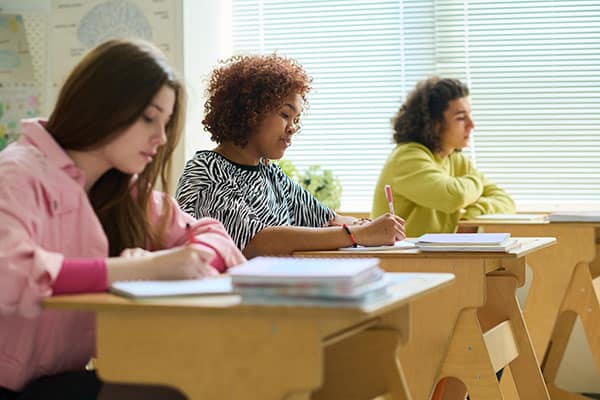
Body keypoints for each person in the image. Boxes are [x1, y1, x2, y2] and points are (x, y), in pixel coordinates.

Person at [0, 39, 245, 400]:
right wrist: (143, 269)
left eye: (165, 123)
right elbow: (12, 273)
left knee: (204, 380)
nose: (160, 138)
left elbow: (212, 234)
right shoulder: (17, 172)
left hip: (57, 382)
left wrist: (192, 259)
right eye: (149, 118)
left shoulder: (120, 188)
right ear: (102, 105)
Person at [176, 54, 405, 258]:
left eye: (296, 120)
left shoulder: (269, 173)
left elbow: (326, 219)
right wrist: (357, 234)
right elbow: (257, 243)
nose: (293, 127)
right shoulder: (206, 171)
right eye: (285, 114)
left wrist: (371, 226)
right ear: (248, 112)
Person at [371, 77, 515, 237]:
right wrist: (476, 182)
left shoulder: (454, 158)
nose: (471, 124)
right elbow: (455, 196)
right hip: (400, 259)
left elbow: (506, 201)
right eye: (461, 117)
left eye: (470, 115)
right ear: (434, 124)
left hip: (435, 257)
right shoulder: (407, 157)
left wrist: (472, 211)